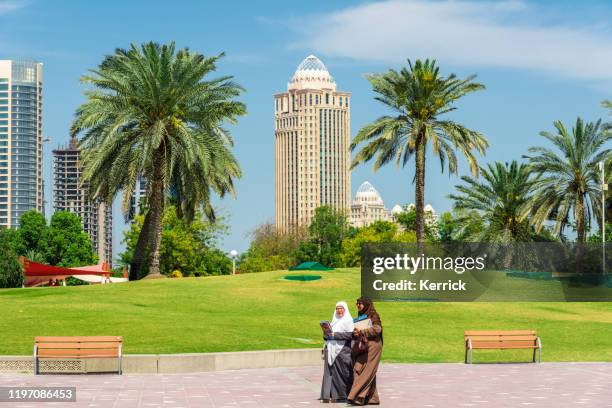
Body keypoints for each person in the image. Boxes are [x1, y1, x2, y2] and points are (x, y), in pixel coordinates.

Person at [348, 297, 383, 406]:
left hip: (373, 346)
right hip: (363, 345)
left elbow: (377, 329)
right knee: (360, 368)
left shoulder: (373, 315)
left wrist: (362, 331)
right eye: (357, 304)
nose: (358, 306)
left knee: (366, 370)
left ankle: (357, 397)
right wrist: (355, 333)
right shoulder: (361, 316)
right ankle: (373, 398)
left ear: (367, 304)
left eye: (360, 304)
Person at [320, 301, 354, 403]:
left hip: (343, 350)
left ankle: (341, 396)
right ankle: (327, 395)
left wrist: (336, 335)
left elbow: (351, 335)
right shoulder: (334, 321)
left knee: (341, 373)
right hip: (331, 349)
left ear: (345, 309)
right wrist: (326, 334)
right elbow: (328, 336)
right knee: (329, 373)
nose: (339, 310)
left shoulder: (348, 320)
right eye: (337, 308)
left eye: (341, 308)